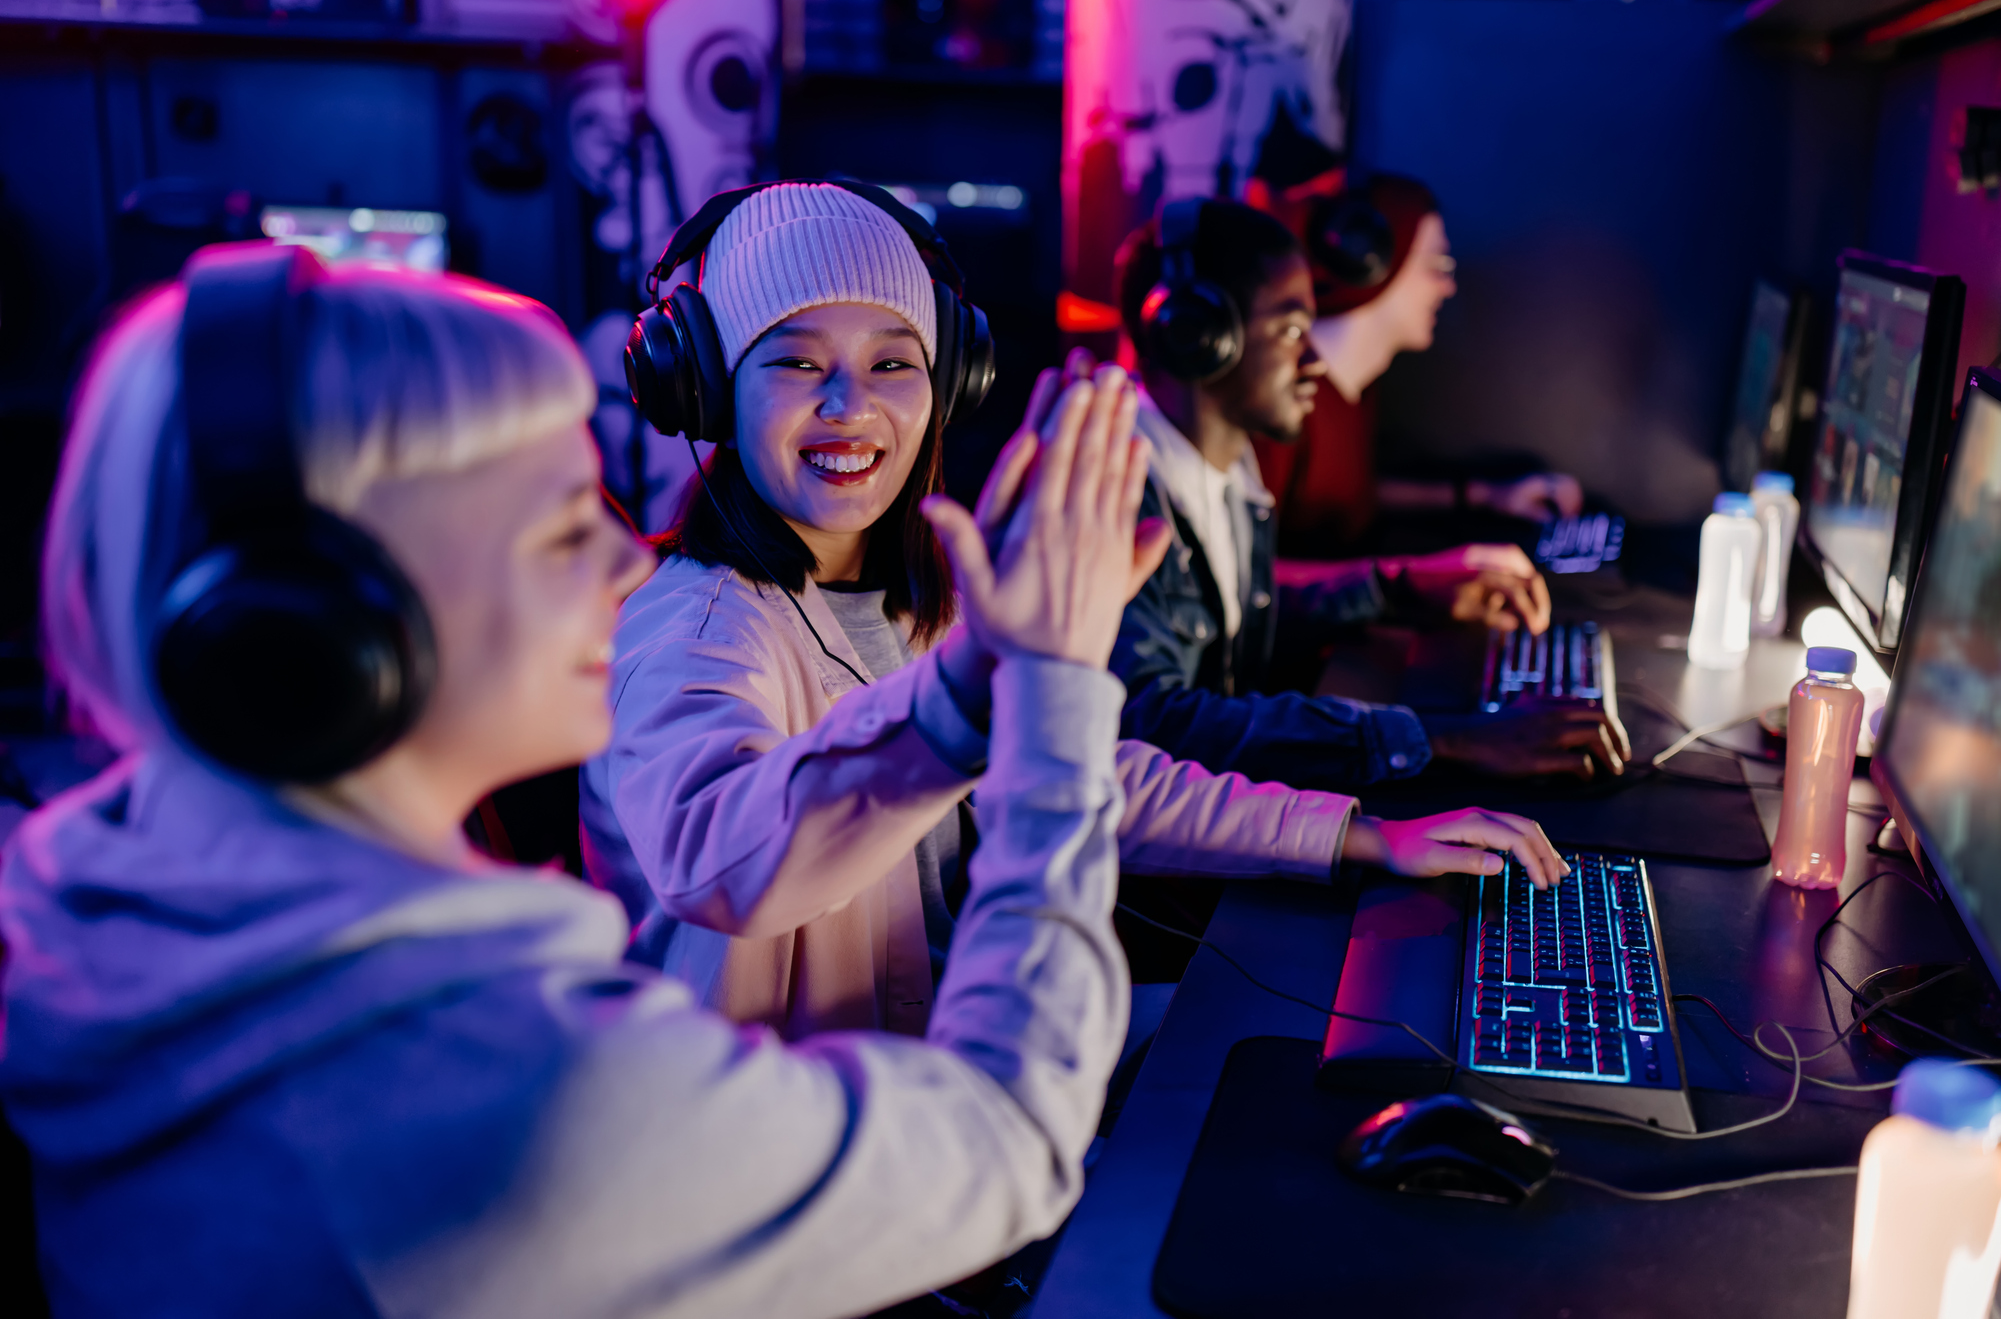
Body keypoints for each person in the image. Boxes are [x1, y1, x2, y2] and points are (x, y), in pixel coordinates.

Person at [6, 245, 1165, 1316]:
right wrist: (1051, 692)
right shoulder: (525, 1093)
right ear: (328, 628)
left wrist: (975, 684)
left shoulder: (87, 914)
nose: (627, 566)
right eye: (567, 529)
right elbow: (1008, 1141)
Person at [579, 181, 1567, 1038]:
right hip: (801, 1178)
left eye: (893, 362)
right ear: (705, 389)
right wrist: (965, 695)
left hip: (932, 1051)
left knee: (1293, 1036)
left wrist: (1356, 834)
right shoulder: (689, 632)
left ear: (948, 382)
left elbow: (1088, 772)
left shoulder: (915, 596)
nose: (850, 405)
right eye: (795, 362)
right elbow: (723, 857)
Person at [1112, 197, 1628, 793]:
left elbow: (1239, 612)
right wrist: (1449, 738)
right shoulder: (1124, 491)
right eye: (1289, 330)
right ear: (1195, 336)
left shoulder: (1227, 468)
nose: (1312, 359)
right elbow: (1154, 725)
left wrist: (1401, 588)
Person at [1249, 171, 1584, 559]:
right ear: (1364, 261)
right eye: (1437, 265)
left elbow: (1353, 496)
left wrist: (1487, 496)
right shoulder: (1283, 399)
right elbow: (1248, 575)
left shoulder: (1353, 388)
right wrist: (1413, 579)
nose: (1448, 287)